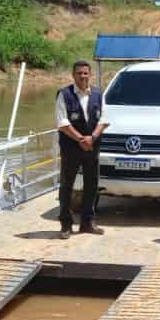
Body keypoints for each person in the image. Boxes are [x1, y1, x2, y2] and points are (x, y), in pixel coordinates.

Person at [55, 60, 109, 239]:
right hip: (71, 148)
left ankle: (88, 222)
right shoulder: (64, 94)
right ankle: (66, 224)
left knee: (91, 185)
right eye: (79, 73)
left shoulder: (98, 94)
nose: (83, 76)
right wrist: (80, 139)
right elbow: (62, 123)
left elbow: (104, 120)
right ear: (73, 75)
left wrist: (92, 137)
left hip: (92, 147)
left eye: (85, 73)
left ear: (90, 74)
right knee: (67, 186)